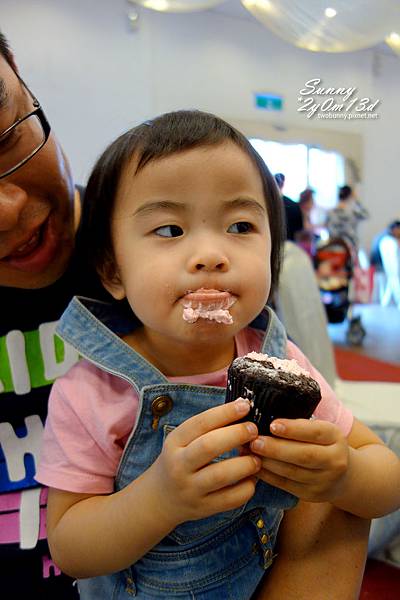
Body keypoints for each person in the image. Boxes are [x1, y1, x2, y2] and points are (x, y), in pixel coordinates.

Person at [35, 110, 400, 599]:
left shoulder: (281, 364)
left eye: (241, 225)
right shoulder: (91, 393)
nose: (211, 254)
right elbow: (71, 549)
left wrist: (345, 475)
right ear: (112, 269)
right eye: (169, 230)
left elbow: (387, 480)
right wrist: (159, 499)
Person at [0, 31, 109, 598]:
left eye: (5, 139)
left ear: (18, 72)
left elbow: (314, 488)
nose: (9, 211)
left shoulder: (176, 255)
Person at [326, 184, 369, 252]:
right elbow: (366, 215)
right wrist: (357, 200)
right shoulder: (352, 213)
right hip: (350, 248)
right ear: (350, 196)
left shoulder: (329, 213)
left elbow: (327, 229)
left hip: (334, 248)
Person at [274, 172, 303, 241]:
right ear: (283, 184)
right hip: (290, 244)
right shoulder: (293, 205)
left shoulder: (266, 204)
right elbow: (299, 231)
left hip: (272, 243)